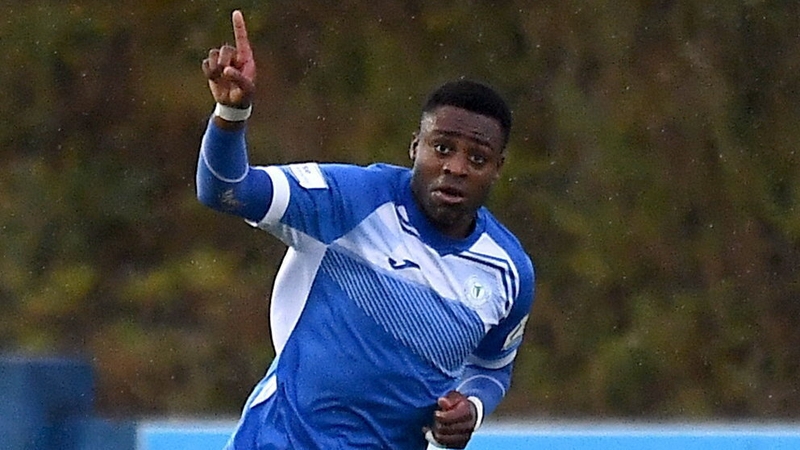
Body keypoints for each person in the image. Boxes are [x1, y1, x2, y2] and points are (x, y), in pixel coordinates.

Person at [196, 10, 535, 450]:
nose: (454, 167)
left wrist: (471, 406)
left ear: (497, 169)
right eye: (443, 148)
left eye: (476, 159)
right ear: (416, 146)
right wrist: (231, 112)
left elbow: (491, 368)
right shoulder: (350, 200)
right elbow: (225, 189)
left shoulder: (508, 271)